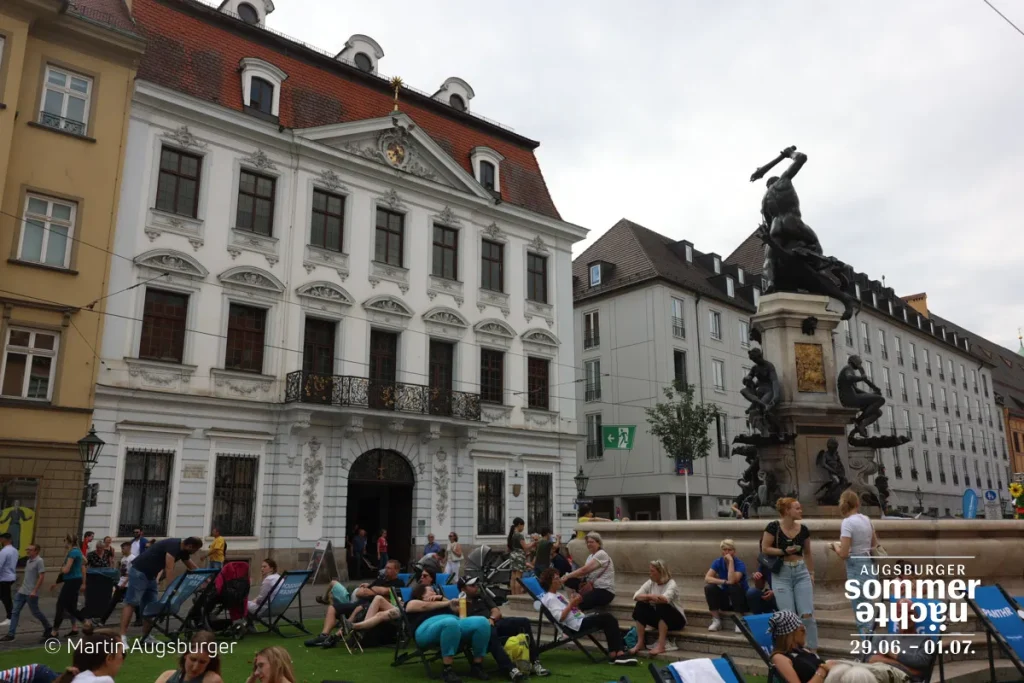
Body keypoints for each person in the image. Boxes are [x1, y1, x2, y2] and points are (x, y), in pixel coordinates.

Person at [537, 568, 634, 665]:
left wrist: (574, 602)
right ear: (550, 582)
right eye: (557, 578)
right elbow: (560, 617)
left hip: (579, 619)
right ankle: (617, 653)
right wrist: (571, 604)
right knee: (608, 618)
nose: (560, 580)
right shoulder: (550, 598)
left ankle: (615, 653)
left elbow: (570, 609)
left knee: (608, 619)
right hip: (574, 626)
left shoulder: (558, 595)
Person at [461, 576, 549, 680]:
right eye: (472, 585)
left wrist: (492, 619)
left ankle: (535, 662)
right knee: (490, 632)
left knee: (523, 622)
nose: (476, 587)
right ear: (463, 589)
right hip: (480, 631)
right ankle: (510, 669)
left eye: (476, 584)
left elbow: (496, 611)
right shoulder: (459, 603)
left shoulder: (482, 597)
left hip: (495, 622)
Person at [120, 536, 202, 647]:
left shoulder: (183, 550)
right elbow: (169, 568)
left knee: (149, 605)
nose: (195, 553)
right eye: (195, 550)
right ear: (190, 546)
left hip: (151, 575)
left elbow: (192, 566)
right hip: (139, 571)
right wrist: (171, 589)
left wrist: (207, 577)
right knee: (131, 602)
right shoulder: (173, 546)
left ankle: (146, 636)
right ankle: (122, 637)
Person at [304, 559, 404, 648]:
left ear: (396, 570)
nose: (386, 570)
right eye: (386, 567)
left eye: (389, 568)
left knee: (358, 610)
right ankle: (324, 635)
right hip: (358, 603)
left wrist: (371, 589)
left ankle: (336, 637)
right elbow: (363, 591)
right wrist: (373, 589)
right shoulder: (381, 580)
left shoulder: (399, 583)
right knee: (332, 608)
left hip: (368, 606)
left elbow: (383, 592)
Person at [404, 581, 492, 683]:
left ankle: (477, 666)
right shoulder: (412, 602)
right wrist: (447, 602)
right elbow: (420, 607)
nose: (435, 593)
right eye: (431, 591)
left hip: (455, 623)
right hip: (426, 628)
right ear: (421, 594)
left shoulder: (442, 602)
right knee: (450, 623)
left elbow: (461, 612)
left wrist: (443, 599)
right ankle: (447, 669)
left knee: (482, 622)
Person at [762, 498, 817, 650]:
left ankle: (812, 649)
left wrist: (811, 573)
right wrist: (783, 551)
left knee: (807, 614)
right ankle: (792, 650)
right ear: (787, 511)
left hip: (801, 572)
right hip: (782, 574)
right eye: (797, 508)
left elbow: (808, 553)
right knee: (789, 615)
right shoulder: (773, 527)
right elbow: (765, 548)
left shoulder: (803, 529)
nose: (801, 511)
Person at [829, 490, 878, 634]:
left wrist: (835, 546)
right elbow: (874, 545)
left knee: (861, 614)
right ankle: (872, 646)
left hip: (856, 566)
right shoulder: (867, 519)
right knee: (868, 608)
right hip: (869, 565)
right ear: (858, 503)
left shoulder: (847, 523)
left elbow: (844, 554)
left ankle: (868, 651)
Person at [629, 559, 686, 655]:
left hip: (676, 620)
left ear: (661, 572)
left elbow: (664, 599)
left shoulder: (671, 584)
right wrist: (649, 596)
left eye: (652, 571)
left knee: (661, 606)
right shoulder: (650, 582)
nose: (649, 574)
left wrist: (650, 598)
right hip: (659, 617)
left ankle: (661, 645)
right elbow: (636, 596)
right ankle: (640, 643)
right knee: (640, 605)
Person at [867, 598, 935, 678]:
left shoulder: (925, 641)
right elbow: (869, 658)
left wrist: (890, 653)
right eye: (902, 613)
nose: (906, 617)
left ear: (916, 616)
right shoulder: (882, 638)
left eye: (910, 613)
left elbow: (921, 663)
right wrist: (898, 663)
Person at [1, 543, 52, 641]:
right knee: (14, 612)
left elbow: (41, 577)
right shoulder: (28, 561)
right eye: (27, 549)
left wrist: (35, 590)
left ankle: (48, 627)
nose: (27, 551)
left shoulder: (39, 561)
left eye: (30, 550)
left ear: (36, 551)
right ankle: (11, 634)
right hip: (22, 591)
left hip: (31, 592)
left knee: (36, 612)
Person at [768, 611, 831, 683]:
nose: (805, 633)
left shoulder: (802, 650)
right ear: (791, 634)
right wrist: (822, 670)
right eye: (802, 630)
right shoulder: (779, 658)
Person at [561, 531, 615, 611]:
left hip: (604, 591)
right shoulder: (590, 556)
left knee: (581, 602)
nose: (589, 544)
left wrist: (567, 575)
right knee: (569, 581)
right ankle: (572, 601)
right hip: (591, 587)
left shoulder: (601, 554)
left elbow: (584, 570)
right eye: (588, 542)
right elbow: (583, 574)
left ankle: (576, 613)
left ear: (599, 543)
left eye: (592, 542)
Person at [704, 539, 748, 633]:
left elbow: (732, 580)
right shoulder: (718, 562)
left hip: (740, 599)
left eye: (730, 550)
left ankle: (739, 621)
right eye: (724, 550)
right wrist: (723, 581)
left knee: (734, 586)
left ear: (734, 551)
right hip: (726, 599)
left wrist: (731, 562)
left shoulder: (740, 564)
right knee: (709, 587)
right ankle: (716, 620)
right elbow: (707, 578)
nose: (727, 552)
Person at [53, 628, 126, 683]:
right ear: (109, 658)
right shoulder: (103, 681)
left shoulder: (73, 679)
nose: (123, 659)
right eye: (123, 654)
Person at [52, 533, 90, 637]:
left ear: (68, 541)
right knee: (71, 607)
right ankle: (85, 622)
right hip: (75, 580)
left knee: (61, 605)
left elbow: (66, 569)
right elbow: (85, 561)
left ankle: (54, 631)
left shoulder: (72, 553)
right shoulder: (77, 551)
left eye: (64, 540)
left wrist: (61, 568)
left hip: (71, 581)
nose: (63, 543)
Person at [155, 630, 223, 683]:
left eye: (202, 662)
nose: (195, 667)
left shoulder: (212, 680)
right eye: (193, 659)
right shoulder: (167, 676)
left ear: (209, 661)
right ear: (186, 655)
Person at [99, 543, 134, 626]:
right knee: (113, 601)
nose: (122, 550)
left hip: (128, 584)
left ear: (128, 548)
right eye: (121, 549)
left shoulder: (132, 558)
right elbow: (121, 571)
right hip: (121, 582)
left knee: (132, 602)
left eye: (123, 549)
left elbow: (133, 572)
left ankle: (139, 618)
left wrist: (125, 582)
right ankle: (102, 620)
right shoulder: (123, 559)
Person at [506, 518, 534, 596]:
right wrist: (533, 543)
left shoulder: (511, 534)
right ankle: (518, 596)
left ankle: (513, 595)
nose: (523, 528)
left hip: (513, 555)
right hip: (519, 556)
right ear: (519, 524)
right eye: (523, 526)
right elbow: (525, 547)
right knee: (518, 577)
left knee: (513, 577)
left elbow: (508, 548)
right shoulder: (518, 535)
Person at [0, 533, 17, 627]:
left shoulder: (4, 551)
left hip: (4, 578)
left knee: (6, 598)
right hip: (10, 576)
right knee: (5, 597)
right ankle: (10, 617)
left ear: (4, 539)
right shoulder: (14, 550)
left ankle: (10, 618)